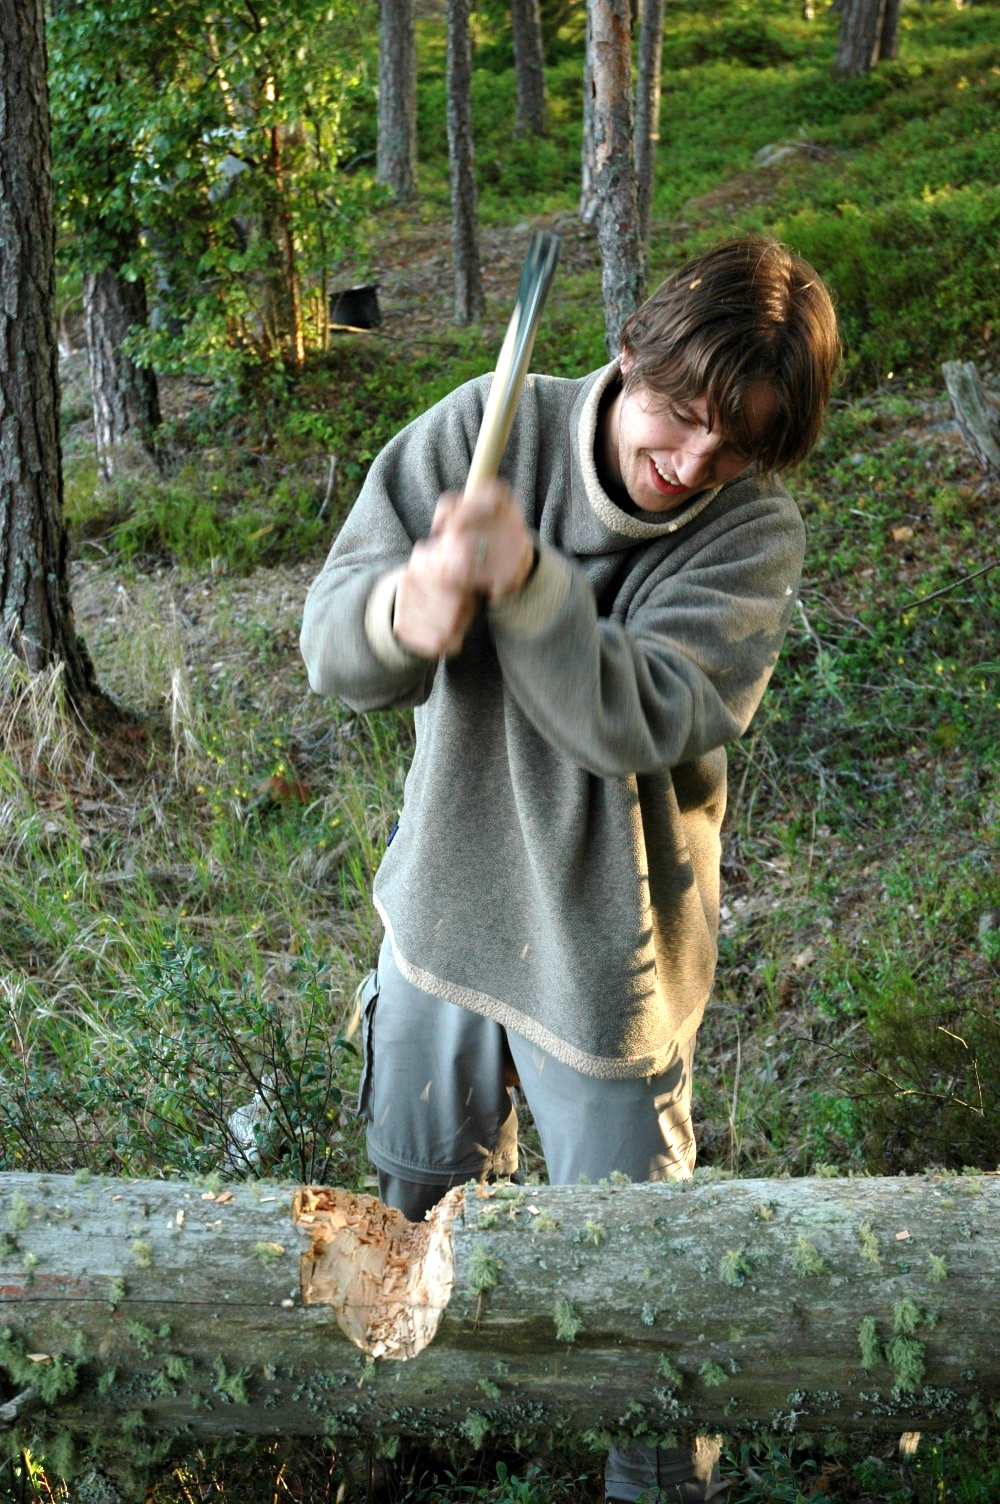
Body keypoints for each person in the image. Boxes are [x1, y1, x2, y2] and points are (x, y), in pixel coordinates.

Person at [300, 235, 840, 1503]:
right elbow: (333, 635)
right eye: (684, 416)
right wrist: (401, 617)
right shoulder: (485, 429)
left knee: (642, 1293)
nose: (694, 461)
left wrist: (525, 582)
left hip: (611, 964)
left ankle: (654, 1487)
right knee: (408, 1235)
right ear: (629, 355)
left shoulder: (749, 535)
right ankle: (423, 1466)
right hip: (439, 923)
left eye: (736, 443)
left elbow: (634, 716)